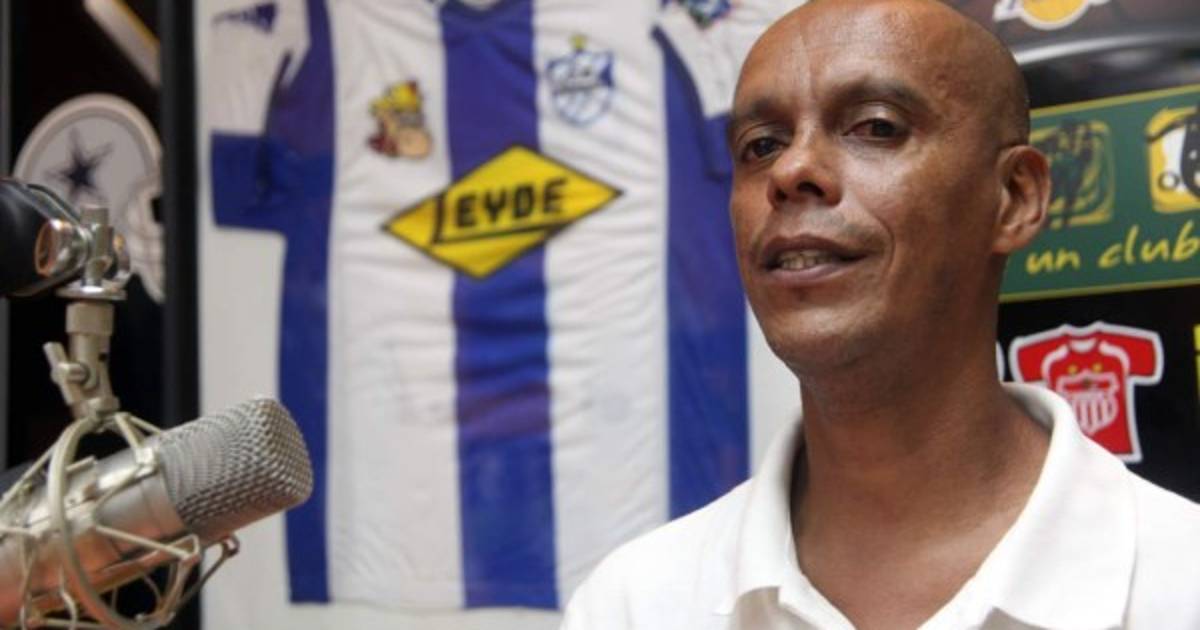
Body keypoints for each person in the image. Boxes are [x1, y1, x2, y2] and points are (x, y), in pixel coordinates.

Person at [561, 0, 1200, 628]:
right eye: (761, 145)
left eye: (875, 127)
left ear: (1013, 197)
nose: (791, 169)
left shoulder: (1179, 583)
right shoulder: (633, 605)